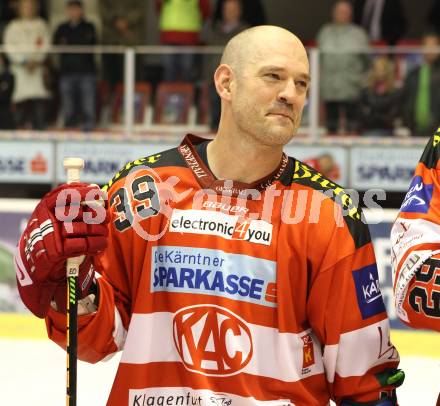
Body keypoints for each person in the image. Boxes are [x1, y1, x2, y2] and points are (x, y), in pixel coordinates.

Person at [15, 26, 403, 405]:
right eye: (274, 77)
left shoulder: (330, 211)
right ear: (225, 83)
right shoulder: (142, 190)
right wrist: (75, 289)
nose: (290, 94)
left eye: (302, 84)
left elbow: (364, 380)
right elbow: (96, 340)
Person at [317, 1, 370, 134]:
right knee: (330, 128)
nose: (342, 15)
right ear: (333, 13)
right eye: (339, 12)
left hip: (352, 90)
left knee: (353, 128)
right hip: (330, 89)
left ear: (350, 14)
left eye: (345, 12)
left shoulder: (359, 34)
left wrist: (363, 82)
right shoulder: (325, 32)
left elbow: (368, 63)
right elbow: (317, 60)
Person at [202, 0, 249, 130]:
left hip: (237, 77)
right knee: (215, 111)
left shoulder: (245, 31)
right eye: (227, 9)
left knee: (235, 111)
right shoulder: (213, 29)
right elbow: (207, 54)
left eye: (233, 9)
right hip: (215, 74)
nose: (230, 12)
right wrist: (207, 75)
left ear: (239, 11)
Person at [3, 0, 50, 130]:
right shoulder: (13, 26)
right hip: (20, 72)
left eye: (31, 6)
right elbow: (9, 48)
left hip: (37, 70)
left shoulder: (41, 25)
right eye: (25, 6)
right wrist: (24, 61)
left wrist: (36, 60)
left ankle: (41, 137)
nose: (28, 9)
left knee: (39, 109)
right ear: (19, 8)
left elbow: (45, 45)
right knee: (19, 111)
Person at [53, 0, 97, 131]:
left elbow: (88, 43)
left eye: (76, 9)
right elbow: (56, 44)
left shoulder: (89, 26)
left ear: (82, 11)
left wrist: (68, 42)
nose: (73, 12)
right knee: (68, 103)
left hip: (86, 71)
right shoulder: (62, 27)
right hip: (67, 71)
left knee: (88, 102)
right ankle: (69, 126)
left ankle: (88, 126)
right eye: (71, 9)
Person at [155, 0, 211, 82]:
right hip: (171, 35)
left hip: (187, 36)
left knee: (186, 71)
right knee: (170, 70)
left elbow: (205, 10)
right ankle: (170, 94)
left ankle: (186, 94)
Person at [400, 32, 440, 137]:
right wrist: (406, 124)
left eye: (434, 46)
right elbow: (405, 100)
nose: (430, 50)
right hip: (414, 131)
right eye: (427, 46)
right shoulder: (413, 75)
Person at [358, 56, 401, 136]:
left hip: (388, 131)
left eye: (382, 69)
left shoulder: (394, 92)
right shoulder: (366, 92)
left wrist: (374, 113)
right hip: (368, 130)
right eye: (376, 69)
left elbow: (393, 115)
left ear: (387, 71)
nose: (379, 72)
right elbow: (362, 114)